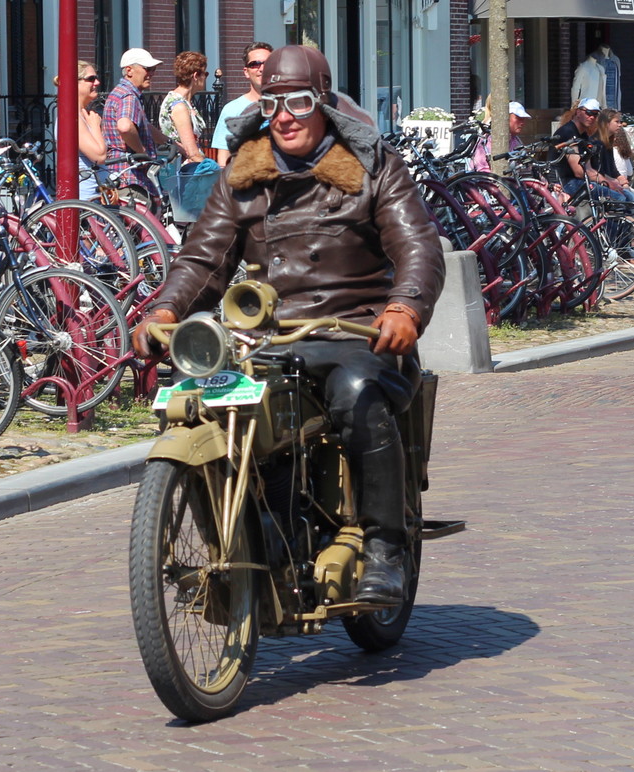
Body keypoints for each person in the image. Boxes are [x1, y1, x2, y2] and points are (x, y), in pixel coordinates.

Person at [132, 45, 446, 605]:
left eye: (298, 102)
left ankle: (385, 550)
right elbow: (203, 257)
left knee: (356, 390)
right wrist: (166, 309)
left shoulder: (373, 164)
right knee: (194, 398)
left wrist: (405, 307)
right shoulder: (243, 173)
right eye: (272, 104)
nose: (284, 116)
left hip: (354, 330)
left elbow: (417, 244)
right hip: (265, 336)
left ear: (322, 101)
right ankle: (245, 544)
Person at [102, 47, 170, 197]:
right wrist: (142, 153)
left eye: (153, 69)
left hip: (121, 176)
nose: (151, 74)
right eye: (147, 69)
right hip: (131, 179)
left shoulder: (120, 92)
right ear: (129, 70)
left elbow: (144, 126)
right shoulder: (128, 96)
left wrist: (171, 143)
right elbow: (125, 127)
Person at [211, 42, 273, 167]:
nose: (261, 68)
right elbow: (224, 157)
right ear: (246, 72)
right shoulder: (232, 110)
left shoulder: (288, 105)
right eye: (255, 64)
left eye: (267, 63)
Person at [53, 60, 107, 200]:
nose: (97, 82)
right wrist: (95, 127)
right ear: (74, 83)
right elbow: (99, 156)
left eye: (96, 78)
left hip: (98, 196)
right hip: (86, 200)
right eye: (91, 79)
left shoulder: (81, 114)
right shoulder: (71, 117)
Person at [552, 98, 625, 201]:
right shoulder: (568, 132)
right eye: (588, 113)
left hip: (580, 181)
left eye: (595, 114)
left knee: (627, 196)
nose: (592, 117)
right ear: (578, 112)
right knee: (619, 198)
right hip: (565, 182)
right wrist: (608, 183)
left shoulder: (584, 135)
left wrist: (611, 182)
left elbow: (588, 168)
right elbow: (579, 171)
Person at [158, 51, 209, 167]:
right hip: (186, 170)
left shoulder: (184, 102)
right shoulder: (179, 106)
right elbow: (192, 153)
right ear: (195, 76)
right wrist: (211, 169)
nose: (205, 78)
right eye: (205, 74)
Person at [471, 100, 531, 172]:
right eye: (518, 118)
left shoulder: (516, 140)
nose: (522, 123)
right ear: (506, 118)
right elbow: (482, 169)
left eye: (523, 119)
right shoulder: (489, 139)